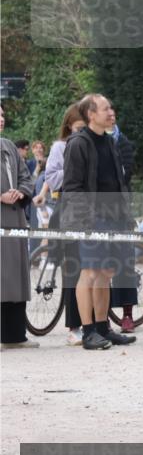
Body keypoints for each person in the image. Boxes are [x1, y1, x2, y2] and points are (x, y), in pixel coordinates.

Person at [61, 94, 137, 350]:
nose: (112, 112)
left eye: (112, 107)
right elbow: (71, 187)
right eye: (106, 108)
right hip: (90, 219)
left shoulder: (110, 142)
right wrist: (87, 219)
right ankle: (88, 331)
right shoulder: (78, 144)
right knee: (90, 272)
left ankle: (103, 327)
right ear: (91, 114)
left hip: (113, 217)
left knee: (106, 272)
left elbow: (118, 182)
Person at [38, 104, 86, 345]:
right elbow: (53, 178)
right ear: (69, 127)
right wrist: (75, 173)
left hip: (89, 208)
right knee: (73, 268)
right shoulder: (60, 147)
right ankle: (74, 325)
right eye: (78, 128)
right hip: (67, 208)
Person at [0, 105, 39, 349]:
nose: (1, 119)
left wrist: (20, 192)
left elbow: (27, 178)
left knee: (15, 277)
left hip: (14, 221)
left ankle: (15, 335)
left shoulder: (9, 147)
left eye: (2, 115)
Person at [107, 105, 139, 332]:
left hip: (119, 207)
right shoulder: (91, 140)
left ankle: (127, 312)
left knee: (124, 260)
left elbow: (125, 174)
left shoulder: (123, 143)